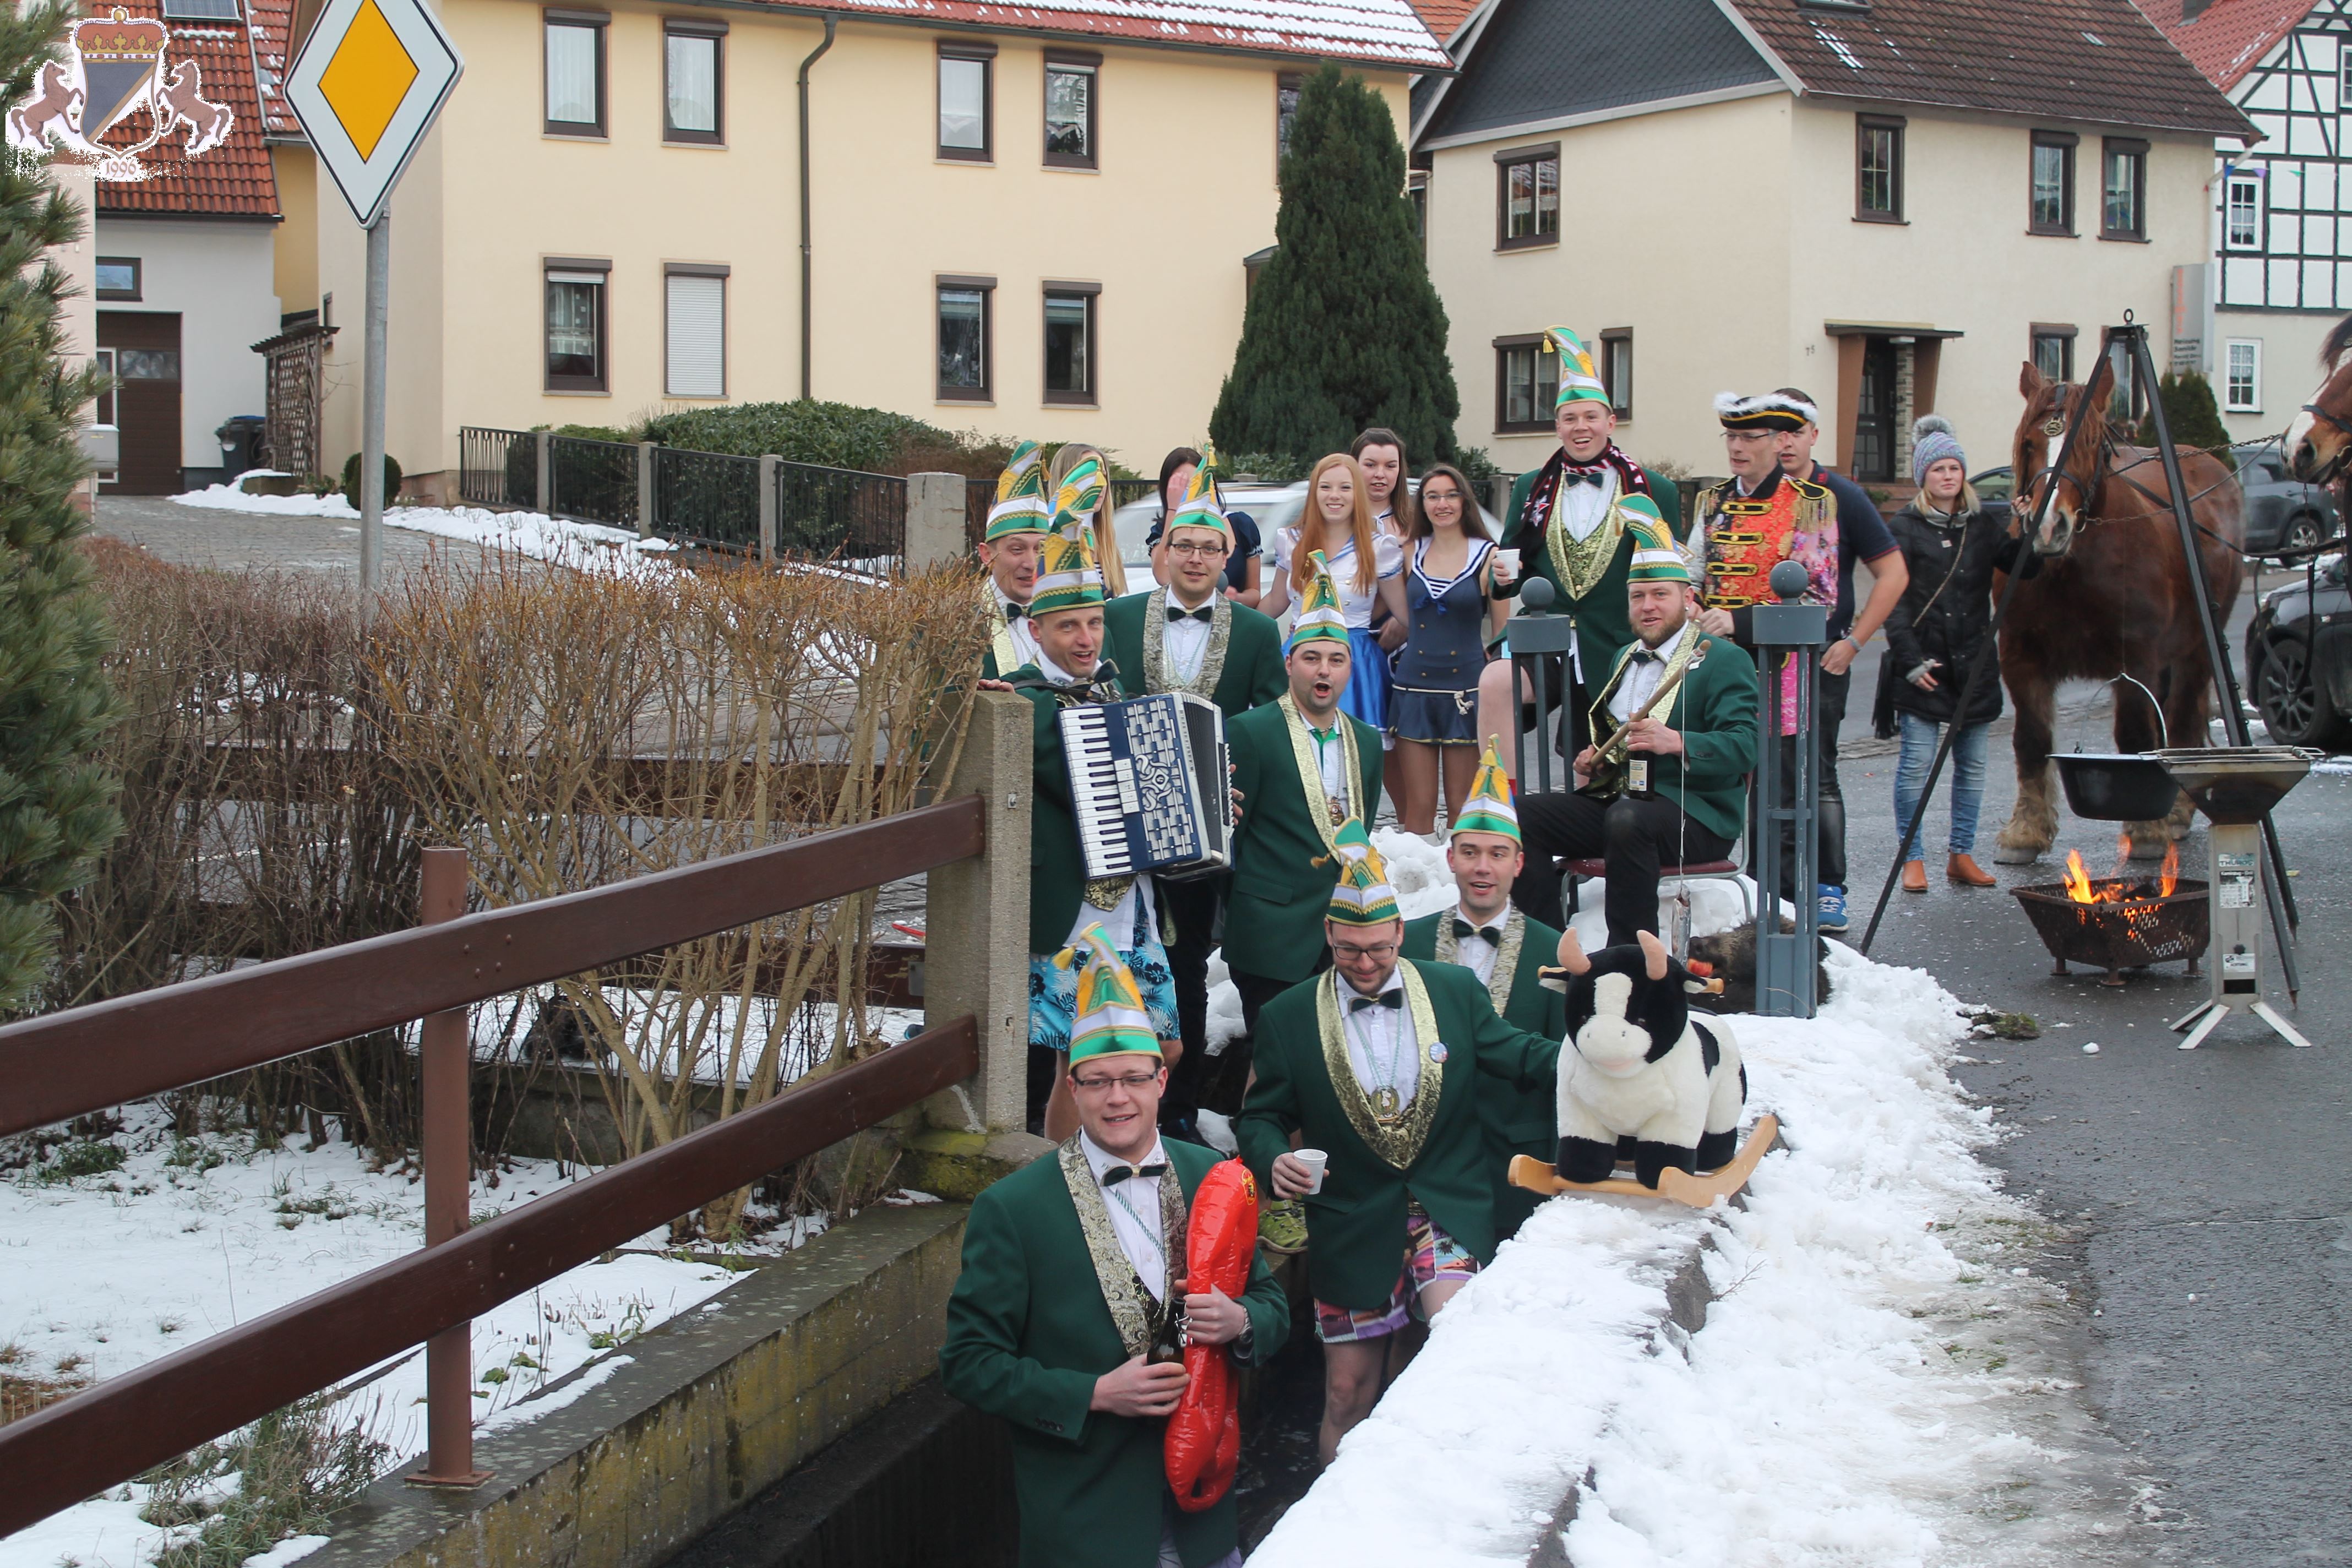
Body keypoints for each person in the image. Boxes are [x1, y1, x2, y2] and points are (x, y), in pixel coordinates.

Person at [940, 924, 1291, 1568]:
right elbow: (968, 1363)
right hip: (1087, 1524)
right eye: (1098, 1081)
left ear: (1162, 1079)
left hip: (1204, 1515)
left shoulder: (1212, 1174)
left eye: (1133, 1077)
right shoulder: (1012, 1210)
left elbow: (1271, 1304)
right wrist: (1094, 1394)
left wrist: (1240, 1320)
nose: (1118, 1097)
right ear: (1072, 1088)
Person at [1237, 821, 1561, 1467]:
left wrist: (1603, 1062)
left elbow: (1520, 1054)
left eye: (1379, 949)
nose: (1365, 964)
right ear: (1329, 934)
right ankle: (1339, 1517)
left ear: (1399, 934)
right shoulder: (1288, 1017)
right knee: (1346, 1393)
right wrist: (1274, 1157)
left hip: (1446, 1206)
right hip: (1352, 1220)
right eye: (1350, 950)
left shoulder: (1453, 990)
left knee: (1453, 1346)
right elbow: (1260, 1116)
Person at [1102, 445, 1287, 1135]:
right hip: (1127, 821)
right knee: (1119, 956)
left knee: (1186, 964)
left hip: (1212, 828)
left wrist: (1237, 793)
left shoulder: (1258, 632)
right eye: (1184, 544)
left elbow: (1270, 725)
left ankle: (1176, 1109)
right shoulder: (1120, 617)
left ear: (1229, 557)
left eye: (1212, 548)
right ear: (1163, 550)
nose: (1196, 558)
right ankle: (1111, 1093)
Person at [998, 465, 1181, 1139]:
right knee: (1081, 1061)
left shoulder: (1115, 688)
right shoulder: (1024, 698)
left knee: (1162, 1047)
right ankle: (1068, 1178)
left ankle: (1108, 1160)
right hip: (1073, 909)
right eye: (1069, 625)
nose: (1085, 639)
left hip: (1133, 903)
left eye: (1096, 622)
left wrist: (1198, 797)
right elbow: (1078, 770)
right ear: (1037, 629)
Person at [1515, 502, 1758, 944]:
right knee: (1520, 815)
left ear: (1688, 599)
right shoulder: (1623, 658)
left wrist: (1676, 741)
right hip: (1623, 806)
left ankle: (1629, 958)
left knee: (1628, 819)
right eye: (1638, 596)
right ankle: (1548, 945)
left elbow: (1745, 746)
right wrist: (1598, 759)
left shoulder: (1723, 658)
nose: (1648, 606)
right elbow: (1620, 744)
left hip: (1694, 816)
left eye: (1660, 595)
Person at [1476, 326, 1683, 780]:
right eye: (1570, 418)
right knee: (1495, 681)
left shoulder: (1655, 490)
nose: (1580, 427)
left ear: (1611, 422)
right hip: (1546, 637)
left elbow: (1671, 577)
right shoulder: (1531, 487)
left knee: (1594, 767)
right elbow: (1510, 566)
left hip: (1617, 642)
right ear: (1558, 426)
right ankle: (1503, 803)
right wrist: (1501, 577)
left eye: (1591, 417)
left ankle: (1587, 820)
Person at [1399, 739, 1566, 1240]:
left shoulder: (1556, 950)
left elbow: (1564, 1066)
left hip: (1519, 1165)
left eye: (1497, 854)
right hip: (1426, 1164)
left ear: (1520, 863)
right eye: (1470, 853)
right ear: (1450, 858)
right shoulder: (1409, 943)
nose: (1482, 868)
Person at [1221, 551, 1386, 1057]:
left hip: (1344, 935)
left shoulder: (1366, 740)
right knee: (1278, 1061)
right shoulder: (1251, 732)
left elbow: (1361, 827)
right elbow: (1233, 835)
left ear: (1350, 668)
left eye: (1336, 659)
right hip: (1272, 933)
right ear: (1289, 662)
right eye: (1311, 657)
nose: (1324, 670)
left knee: (1341, 1058)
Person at [1690, 391, 1840, 923]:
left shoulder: (1810, 503)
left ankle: (1779, 915)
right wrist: (1690, 605)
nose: (1737, 447)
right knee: (1708, 782)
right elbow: (1693, 574)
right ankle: (1715, 909)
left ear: (1779, 442)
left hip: (1781, 674)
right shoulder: (1711, 502)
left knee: (1778, 801)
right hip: (1715, 668)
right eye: (1731, 436)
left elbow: (1820, 600)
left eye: (1749, 438)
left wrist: (1740, 621)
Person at [1767, 386, 1909, 934]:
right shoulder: (1748, 498)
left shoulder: (1839, 495)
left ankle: (1828, 886)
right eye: (1775, 432)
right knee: (1762, 777)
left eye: (1795, 431)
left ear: (1814, 435)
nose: (1785, 443)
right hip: (1756, 661)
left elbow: (1892, 573)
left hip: (1819, 661)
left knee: (1817, 774)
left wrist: (1854, 643)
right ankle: (1770, 888)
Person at [1876, 415, 2028, 894]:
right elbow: (1894, 601)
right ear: (1924, 476)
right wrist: (1909, 660)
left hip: (1975, 664)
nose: (1948, 476)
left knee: (1973, 768)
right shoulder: (1905, 527)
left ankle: (1961, 854)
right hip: (1925, 666)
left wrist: (2029, 525)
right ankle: (1912, 857)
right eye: (1938, 468)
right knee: (1916, 768)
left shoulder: (1982, 525)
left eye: (1954, 468)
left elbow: (2025, 567)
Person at [1388, 461, 1509, 836]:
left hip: (1467, 690)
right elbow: (1387, 607)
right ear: (1422, 504)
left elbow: (1502, 633)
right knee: (1418, 806)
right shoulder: (1408, 551)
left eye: (1451, 495)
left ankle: (1459, 872)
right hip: (1413, 687)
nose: (1442, 504)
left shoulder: (1489, 555)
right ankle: (1416, 874)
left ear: (1464, 501)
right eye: (1432, 497)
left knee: (1461, 804)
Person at [1258, 454, 1409, 741]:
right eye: (1325, 487)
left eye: (1345, 488)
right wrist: (1230, 621)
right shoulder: (1291, 541)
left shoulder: (1379, 548)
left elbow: (1405, 613)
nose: (1334, 496)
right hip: (1300, 655)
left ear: (1358, 494)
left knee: (1354, 751)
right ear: (1314, 492)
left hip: (1355, 662)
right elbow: (1275, 602)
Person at [1146, 445, 1264, 605]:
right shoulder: (1163, 530)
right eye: (1179, 485)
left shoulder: (1241, 525)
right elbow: (1164, 577)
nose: (1190, 493)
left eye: (1194, 483)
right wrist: (1173, 510)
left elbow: (1254, 593)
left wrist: (1235, 598)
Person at [981, 440, 1052, 679]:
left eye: (1041, 549)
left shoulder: (1065, 617)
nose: (1031, 564)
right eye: (1017, 549)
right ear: (987, 555)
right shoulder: (957, 623)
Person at [1052, 441, 1129, 600]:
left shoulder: (1106, 541)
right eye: (1091, 476)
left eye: (1103, 476)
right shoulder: (1049, 539)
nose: (1100, 485)